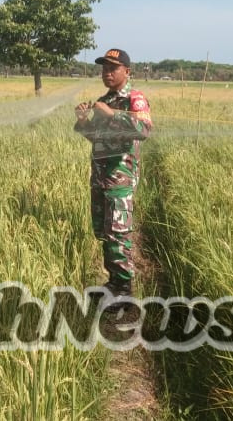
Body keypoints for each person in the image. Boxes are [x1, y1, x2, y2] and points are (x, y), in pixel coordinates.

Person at [73, 48, 152, 305]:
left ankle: (124, 293)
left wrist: (111, 114)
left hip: (120, 178)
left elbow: (144, 129)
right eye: (104, 68)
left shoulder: (134, 99)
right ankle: (113, 283)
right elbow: (98, 139)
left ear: (126, 71)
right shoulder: (103, 100)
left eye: (113, 68)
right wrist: (83, 122)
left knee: (118, 233)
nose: (107, 73)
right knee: (104, 232)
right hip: (100, 178)